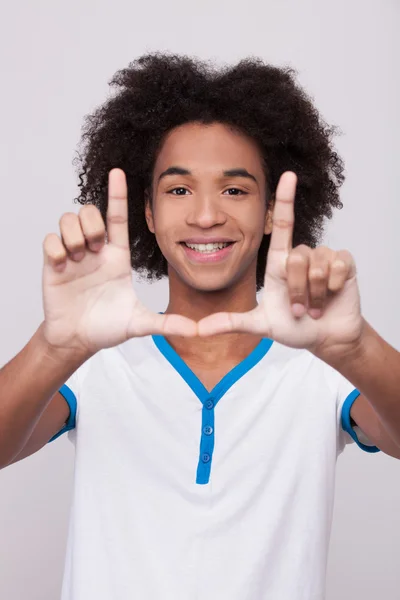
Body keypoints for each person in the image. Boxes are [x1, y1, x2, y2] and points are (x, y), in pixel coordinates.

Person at [1, 52, 399, 600]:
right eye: (179, 189)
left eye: (235, 190)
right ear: (147, 211)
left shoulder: (322, 365)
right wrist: (55, 347)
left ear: (268, 212)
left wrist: (357, 348)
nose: (206, 215)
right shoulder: (94, 359)